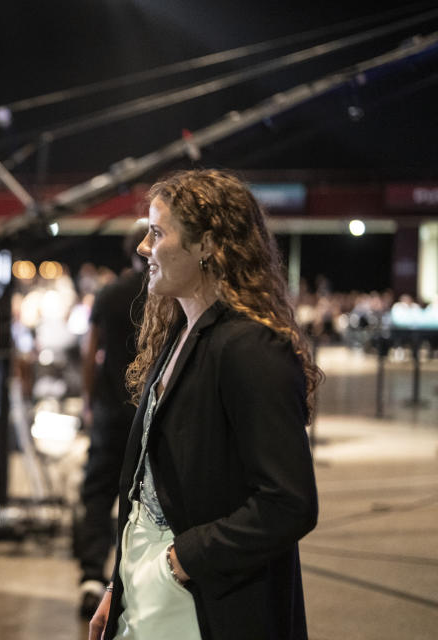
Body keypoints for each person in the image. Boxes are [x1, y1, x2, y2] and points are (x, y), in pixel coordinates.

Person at [89, 169, 322, 640]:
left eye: (156, 232)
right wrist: (123, 585)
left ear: (207, 245)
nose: (142, 248)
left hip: (206, 601)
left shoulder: (250, 346)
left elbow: (289, 503)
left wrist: (181, 562)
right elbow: (148, 487)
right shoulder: (178, 335)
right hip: (152, 586)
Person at [75, 224, 147, 618]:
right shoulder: (166, 293)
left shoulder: (109, 293)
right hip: (148, 414)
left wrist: (89, 403)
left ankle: (90, 575)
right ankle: (127, 581)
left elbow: (92, 354)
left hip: (108, 411)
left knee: (98, 492)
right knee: (141, 499)